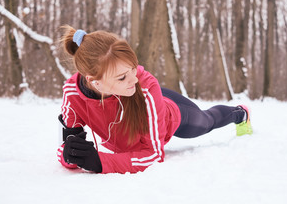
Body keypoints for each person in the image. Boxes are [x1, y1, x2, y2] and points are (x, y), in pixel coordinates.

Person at [56, 26, 252, 174]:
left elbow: (154, 155)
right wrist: (70, 155)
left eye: (133, 68)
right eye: (122, 77)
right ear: (94, 82)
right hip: (137, 120)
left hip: (169, 115)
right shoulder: (73, 94)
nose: (134, 79)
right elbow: (67, 150)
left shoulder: (146, 86)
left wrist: (100, 162)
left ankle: (239, 113)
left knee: (206, 121)